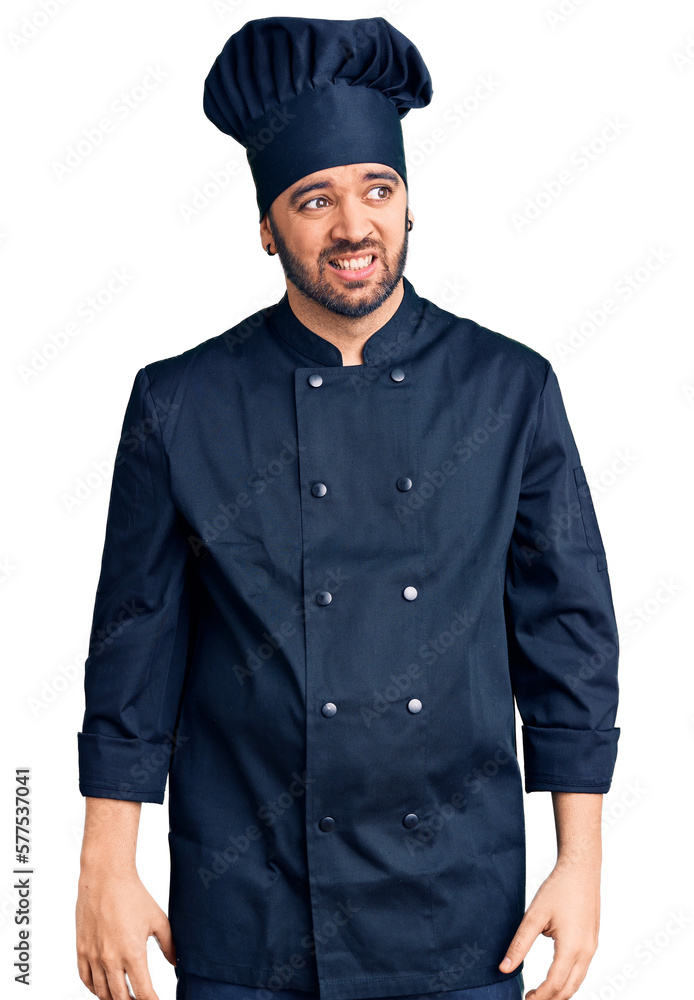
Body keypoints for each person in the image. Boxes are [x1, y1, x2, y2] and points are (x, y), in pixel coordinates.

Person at [74, 16, 620, 1000]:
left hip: (460, 914)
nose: (353, 225)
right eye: (312, 198)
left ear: (410, 205)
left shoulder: (509, 389)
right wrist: (102, 864)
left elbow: (567, 637)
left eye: (378, 189)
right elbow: (133, 646)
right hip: (249, 907)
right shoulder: (180, 403)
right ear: (265, 226)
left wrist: (579, 863)